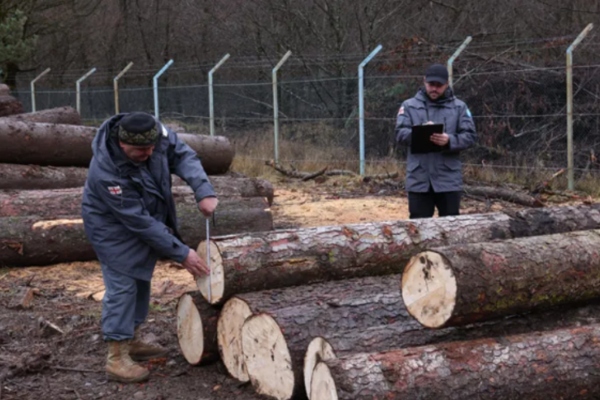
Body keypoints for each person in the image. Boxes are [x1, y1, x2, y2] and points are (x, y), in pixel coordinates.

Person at [81, 111, 218, 383]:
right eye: (141, 150)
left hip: (144, 218)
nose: (150, 152)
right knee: (123, 285)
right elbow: (139, 222)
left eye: (152, 147)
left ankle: (131, 340)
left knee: (141, 278)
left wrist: (204, 190)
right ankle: (116, 357)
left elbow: (183, 155)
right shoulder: (107, 172)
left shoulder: (153, 135)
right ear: (122, 144)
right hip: (112, 228)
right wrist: (182, 253)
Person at [395, 63, 477, 219]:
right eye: (431, 84)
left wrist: (449, 140)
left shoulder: (459, 107)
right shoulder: (409, 106)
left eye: (439, 85)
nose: (434, 89)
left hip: (448, 180)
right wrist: (419, 134)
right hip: (419, 180)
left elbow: (470, 136)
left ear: (447, 84)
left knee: (452, 228)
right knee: (419, 230)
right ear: (424, 81)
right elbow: (399, 133)